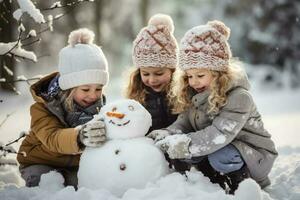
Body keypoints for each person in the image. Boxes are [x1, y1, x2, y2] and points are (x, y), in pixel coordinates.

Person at [148, 20, 278, 194]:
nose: (193, 82)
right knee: (196, 151)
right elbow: (184, 123)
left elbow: (219, 134)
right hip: (218, 149)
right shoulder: (194, 94)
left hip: (254, 155)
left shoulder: (239, 98)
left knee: (216, 153)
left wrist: (186, 144)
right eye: (189, 76)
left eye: (200, 75)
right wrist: (168, 133)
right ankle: (213, 183)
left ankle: (242, 185)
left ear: (218, 73)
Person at [17, 28, 109, 188]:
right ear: (69, 88)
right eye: (86, 89)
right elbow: (52, 137)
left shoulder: (99, 108)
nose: (93, 95)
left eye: (99, 89)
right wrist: (79, 137)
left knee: (82, 186)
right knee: (47, 184)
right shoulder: (43, 107)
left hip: (74, 166)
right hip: (40, 162)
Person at [125, 13, 179, 133]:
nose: (152, 80)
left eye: (159, 73)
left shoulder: (182, 93)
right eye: (145, 74)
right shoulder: (137, 95)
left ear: (172, 70)